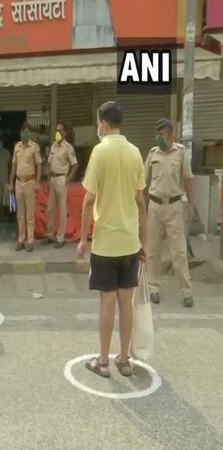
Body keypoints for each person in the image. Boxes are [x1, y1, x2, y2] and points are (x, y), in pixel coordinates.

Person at [78, 101, 147, 378]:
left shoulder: (99, 152)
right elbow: (141, 202)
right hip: (130, 241)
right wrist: (145, 242)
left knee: (107, 301)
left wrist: (83, 240)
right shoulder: (134, 153)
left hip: (106, 242)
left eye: (98, 123)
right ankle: (125, 359)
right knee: (125, 301)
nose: (98, 127)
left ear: (104, 123)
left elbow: (88, 200)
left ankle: (103, 361)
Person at [144, 118, 195, 307]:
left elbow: (188, 180)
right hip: (155, 206)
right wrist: (140, 206)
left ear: (171, 134)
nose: (159, 138)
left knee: (179, 251)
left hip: (174, 206)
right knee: (153, 251)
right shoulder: (152, 153)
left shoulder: (180, 153)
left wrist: (191, 205)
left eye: (162, 135)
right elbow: (143, 182)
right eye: (157, 135)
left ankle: (186, 291)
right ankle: (153, 287)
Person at [8, 123, 42, 252]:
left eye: (27, 132)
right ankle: (21, 239)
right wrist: (11, 183)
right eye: (23, 132)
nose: (25, 134)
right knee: (20, 214)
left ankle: (30, 240)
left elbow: (39, 165)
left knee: (30, 214)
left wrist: (37, 182)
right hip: (18, 183)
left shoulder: (34, 147)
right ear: (20, 133)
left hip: (30, 182)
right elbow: (13, 166)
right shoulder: (17, 147)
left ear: (30, 134)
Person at [44, 122, 78, 248]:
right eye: (56, 131)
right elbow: (49, 164)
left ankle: (60, 237)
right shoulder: (53, 146)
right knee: (50, 208)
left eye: (60, 131)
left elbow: (75, 165)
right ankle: (49, 234)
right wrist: (47, 180)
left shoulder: (68, 148)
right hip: (52, 179)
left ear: (64, 133)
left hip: (61, 179)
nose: (57, 133)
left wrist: (68, 179)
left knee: (62, 210)